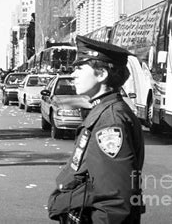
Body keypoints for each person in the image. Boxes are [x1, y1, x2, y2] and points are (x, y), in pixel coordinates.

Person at [47, 35, 145, 224]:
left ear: (101, 74)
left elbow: (114, 200)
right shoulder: (104, 111)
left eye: (80, 68)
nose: (73, 74)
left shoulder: (110, 121)